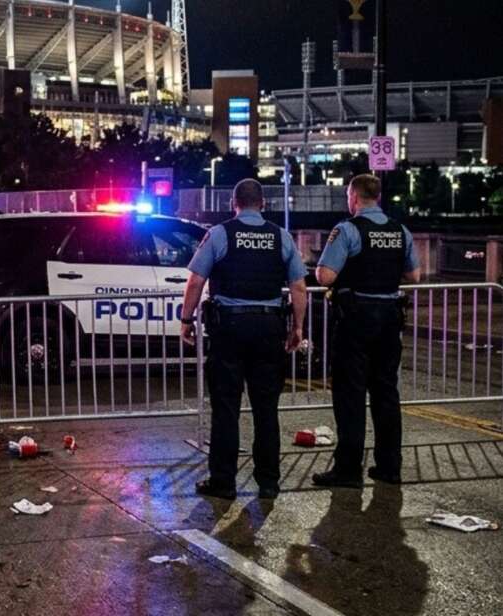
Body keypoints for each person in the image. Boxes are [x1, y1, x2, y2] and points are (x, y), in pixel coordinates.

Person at [179, 179, 308, 500]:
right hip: (269, 328)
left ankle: (223, 481)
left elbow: (196, 280)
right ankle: (268, 482)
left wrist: (186, 319)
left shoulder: (220, 234)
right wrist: (298, 328)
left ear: (234, 204)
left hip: (229, 330)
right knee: (266, 409)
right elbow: (300, 288)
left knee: (226, 408)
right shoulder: (281, 237)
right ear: (263, 204)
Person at [312, 174, 420, 488]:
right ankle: (389, 466)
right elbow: (415, 273)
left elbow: (326, 276)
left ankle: (348, 469)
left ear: (355, 197)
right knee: (386, 392)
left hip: (356, 317)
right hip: (389, 317)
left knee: (350, 394)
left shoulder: (347, 230)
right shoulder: (400, 231)